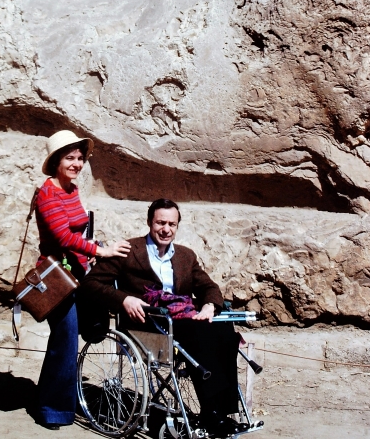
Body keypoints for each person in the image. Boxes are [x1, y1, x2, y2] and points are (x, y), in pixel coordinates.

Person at [82, 198, 242, 437]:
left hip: (180, 322)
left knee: (225, 331)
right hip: (144, 324)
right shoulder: (129, 250)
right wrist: (124, 300)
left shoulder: (186, 256)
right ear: (150, 222)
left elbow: (209, 287)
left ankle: (221, 412)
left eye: (171, 224)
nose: (166, 229)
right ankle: (212, 415)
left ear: (177, 226)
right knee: (203, 334)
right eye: (160, 223)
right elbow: (90, 284)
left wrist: (209, 306)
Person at [35, 130, 131, 430]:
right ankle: (52, 409)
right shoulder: (47, 194)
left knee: (74, 337)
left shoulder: (71, 189)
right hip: (57, 278)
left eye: (79, 158)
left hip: (77, 273)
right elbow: (63, 237)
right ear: (56, 161)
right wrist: (101, 250)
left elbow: (78, 232)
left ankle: (61, 397)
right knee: (64, 341)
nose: (76, 163)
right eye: (69, 158)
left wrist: (92, 249)